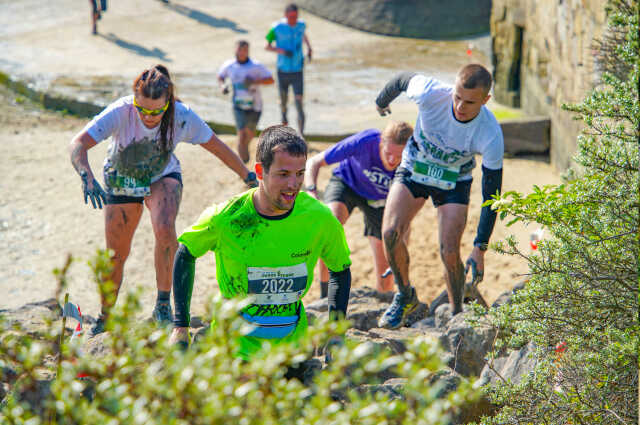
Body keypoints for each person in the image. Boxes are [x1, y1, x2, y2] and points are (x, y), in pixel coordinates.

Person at [69, 64, 257, 336]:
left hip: (162, 175)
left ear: (168, 102)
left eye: (156, 111)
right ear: (135, 99)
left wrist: (247, 175)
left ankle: (162, 306)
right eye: (142, 109)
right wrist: (86, 175)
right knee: (117, 255)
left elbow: (217, 146)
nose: (148, 116)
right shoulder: (121, 111)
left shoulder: (181, 116)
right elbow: (78, 143)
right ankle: (106, 316)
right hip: (122, 179)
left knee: (165, 229)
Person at [169, 125, 352, 360]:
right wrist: (180, 327)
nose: (293, 184)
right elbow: (185, 253)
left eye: (299, 174)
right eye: (283, 174)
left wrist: (336, 334)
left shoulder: (320, 218)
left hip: (292, 351)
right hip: (234, 350)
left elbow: (340, 269)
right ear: (259, 171)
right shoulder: (226, 218)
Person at [374, 64, 504, 329]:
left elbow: (493, 195)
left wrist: (480, 248)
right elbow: (401, 77)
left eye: (469, 102)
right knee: (389, 233)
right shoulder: (431, 93)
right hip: (415, 167)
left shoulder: (490, 133)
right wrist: (381, 102)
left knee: (449, 250)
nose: (459, 106)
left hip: (454, 180)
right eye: (457, 97)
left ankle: (456, 312)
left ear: (486, 100)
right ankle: (404, 295)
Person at [304, 121, 413, 295]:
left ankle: (383, 301)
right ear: (380, 143)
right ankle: (325, 295)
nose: (393, 161)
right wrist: (311, 193)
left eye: (399, 157)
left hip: (380, 201)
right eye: (388, 153)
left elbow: (405, 219)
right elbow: (314, 162)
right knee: (330, 226)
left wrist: (399, 251)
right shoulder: (366, 141)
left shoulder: (413, 162)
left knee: (387, 266)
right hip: (348, 184)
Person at [218, 40, 275, 163]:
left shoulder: (256, 66)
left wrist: (255, 81)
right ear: (235, 50)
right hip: (238, 105)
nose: (242, 52)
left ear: (248, 51)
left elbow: (271, 80)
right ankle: (242, 163)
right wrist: (222, 86)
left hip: (255, 105)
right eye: (240, 49)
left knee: (249, 134)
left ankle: (244, 148)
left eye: (245, 50)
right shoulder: (229, 65)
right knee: (241, 134)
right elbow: (220, 76)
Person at [265, 3, 312, 135]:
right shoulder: (276, 28)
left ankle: (302, 135)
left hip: (297, 69)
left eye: (295, 17)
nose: (293, 19)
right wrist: (283, 51)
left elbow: (303, 35)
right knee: (284, 103)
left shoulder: (301, 25)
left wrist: (309, 48)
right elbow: (267, 46)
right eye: (291, 17)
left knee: (299, 102)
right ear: (285, 15)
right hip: (282, 70)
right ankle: (284, 130)